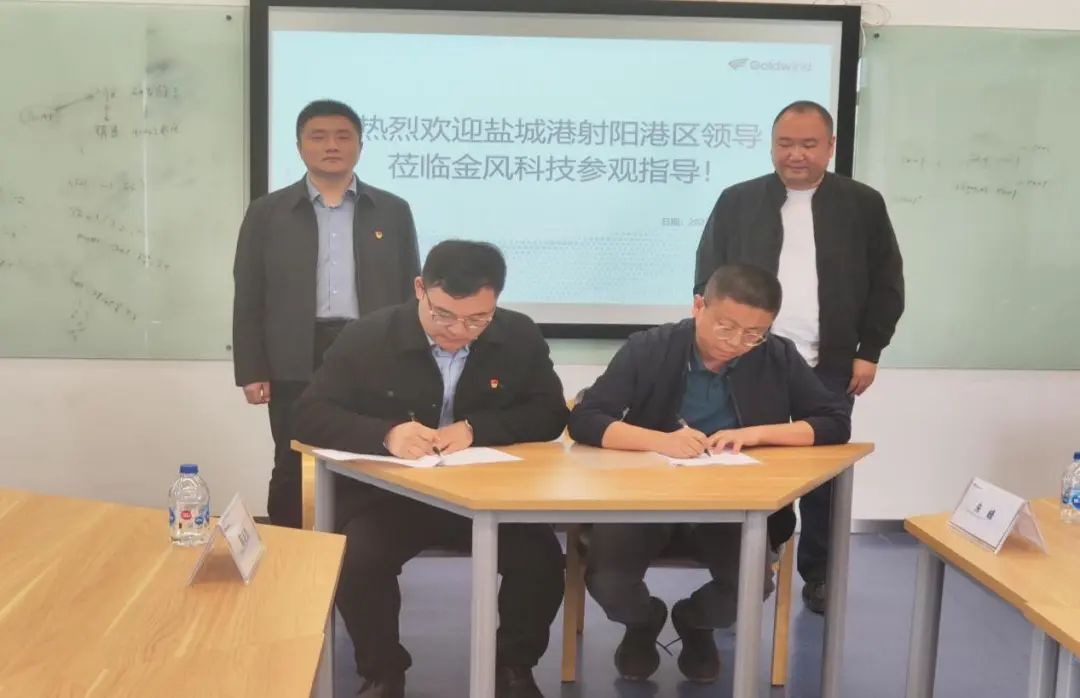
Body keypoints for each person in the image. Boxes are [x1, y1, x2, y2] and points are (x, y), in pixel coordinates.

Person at [292, 240, 568, 698]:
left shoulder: (518, 336)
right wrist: (386, 434)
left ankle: (512, 667)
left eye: (477, 319)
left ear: (496, 302)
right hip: (396, 497)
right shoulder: (369, 337)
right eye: (443, 315)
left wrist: (477, 429)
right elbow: (307, 414)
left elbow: (551, 413)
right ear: (420, 288)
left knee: (541, 561)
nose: (458, 330)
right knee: (358, 558)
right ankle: (383, 672)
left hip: (488, 493)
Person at [568, 264, 850, 684]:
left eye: (754, 333)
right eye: (726, 327)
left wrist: (754, 434)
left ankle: (695, 622)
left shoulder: (776, 355)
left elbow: (834, 422)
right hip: (645, 498)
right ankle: (643, 622)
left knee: (750, 585)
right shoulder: (650, 348)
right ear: (699, 306)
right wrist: (660, 441)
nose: (737, 343)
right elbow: (586, 419)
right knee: (608, 579)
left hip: (734, 503)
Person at [693, 100, 904, 613]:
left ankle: (820, 574)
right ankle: (747, 563)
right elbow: (707, 275)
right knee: (747, 461)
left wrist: (870, 350)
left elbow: (887, 281)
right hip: (749, 359)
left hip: (829, 360)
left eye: (809, 144)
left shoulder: (862, 204)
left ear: (830, 147)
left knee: (822, 473)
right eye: (785, 144)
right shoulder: (738, 201)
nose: (796, 154)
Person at [232, 99, 420, 528]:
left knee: (370, 454)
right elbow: (249, 294)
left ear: (360, 146)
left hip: (372, 351)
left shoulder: (392, 210)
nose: (331, 145)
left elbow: (411, 289)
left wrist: (411, 359)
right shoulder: (267, 212)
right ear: (300, 147)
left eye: (342, 136)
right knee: (292, 457)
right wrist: (252, 368)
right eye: (318, 137)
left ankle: (358, 550)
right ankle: (288, 550)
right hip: (294, 352)